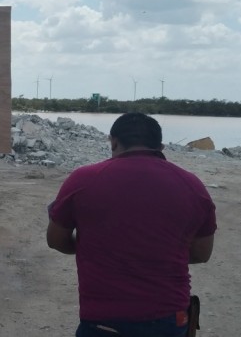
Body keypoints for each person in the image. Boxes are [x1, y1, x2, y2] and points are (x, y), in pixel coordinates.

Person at [46, 112, 216, 337]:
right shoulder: (192, 185)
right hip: (169, 319)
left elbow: (56, 240)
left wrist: (97, 247)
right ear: (161, 147)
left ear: (113, 141)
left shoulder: (83, 180)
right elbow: (202, 253)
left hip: (104, 321)